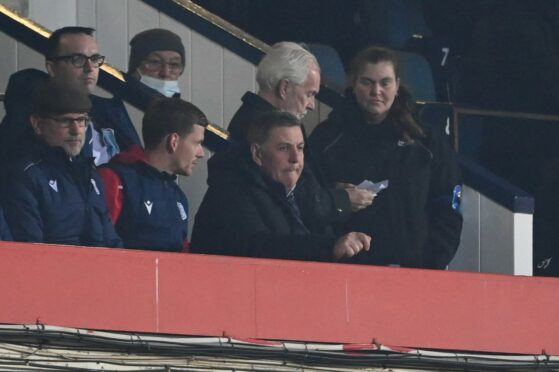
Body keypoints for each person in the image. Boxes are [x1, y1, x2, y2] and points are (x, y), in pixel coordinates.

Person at [309, 46, 463, 269]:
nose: (376, 91)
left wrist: (429, 260)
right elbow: (309, 202)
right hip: (344, 272)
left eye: (385, 83)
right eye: (367, 82)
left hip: (414, 273)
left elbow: (448, 205)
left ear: (397, 85)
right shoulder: (326, 139)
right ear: (353, 83)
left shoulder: (425, 142)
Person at [224, 41, 374, 224]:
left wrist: (332, 190)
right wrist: (344, 200)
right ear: (284, 88)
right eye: (310, 94)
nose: (312, 105)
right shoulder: (260, 128)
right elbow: (299, 199)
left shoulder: (253, 118)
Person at [191, 110, 371, 262]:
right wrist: (330, 247)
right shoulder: (230, 191)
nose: (295, 158)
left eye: (300, 148)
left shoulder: (299, 188)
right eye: (284, 148)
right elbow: (260, 247)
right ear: (257, 154)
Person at [0, 26, 141, 174]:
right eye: (78, 59)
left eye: (94, 59)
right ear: (52, 68)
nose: (90, 68)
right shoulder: (32, 118)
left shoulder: (111, 111)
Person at [2, 80, 121, 247]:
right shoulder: (25, 176)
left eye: (82, 121)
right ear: (37, 124)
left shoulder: (90, 174)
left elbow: (111, 241)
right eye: (66, 121)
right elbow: (29, 249)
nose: (76, 130)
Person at [98, 98, 206, 252]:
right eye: (197, 143)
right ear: (173, 141)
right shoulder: (115, 180)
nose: (201, 153)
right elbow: (99, 247)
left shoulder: (178, 196)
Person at [127, 28, 186, 99]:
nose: (165, 73)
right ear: (135, 67)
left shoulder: (183, 109)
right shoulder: (113, 108)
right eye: (155, 62)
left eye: (174, 64)